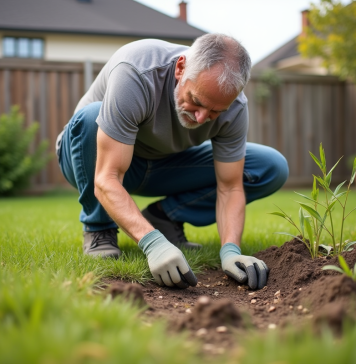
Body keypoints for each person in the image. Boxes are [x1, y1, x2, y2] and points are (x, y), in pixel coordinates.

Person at [56, 33, 288, 291]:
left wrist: (230, 250)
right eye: (197, 101)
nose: (202, 118)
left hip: (164, 165)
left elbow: (230, 186)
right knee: (91, 117)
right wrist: (152, 243)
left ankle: (164, 217)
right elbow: (105, 179)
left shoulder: (235, 108)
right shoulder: (137, 71)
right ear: (180, 68)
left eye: (215, 111)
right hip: (90, 159)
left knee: (270, 166)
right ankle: (99, 228)